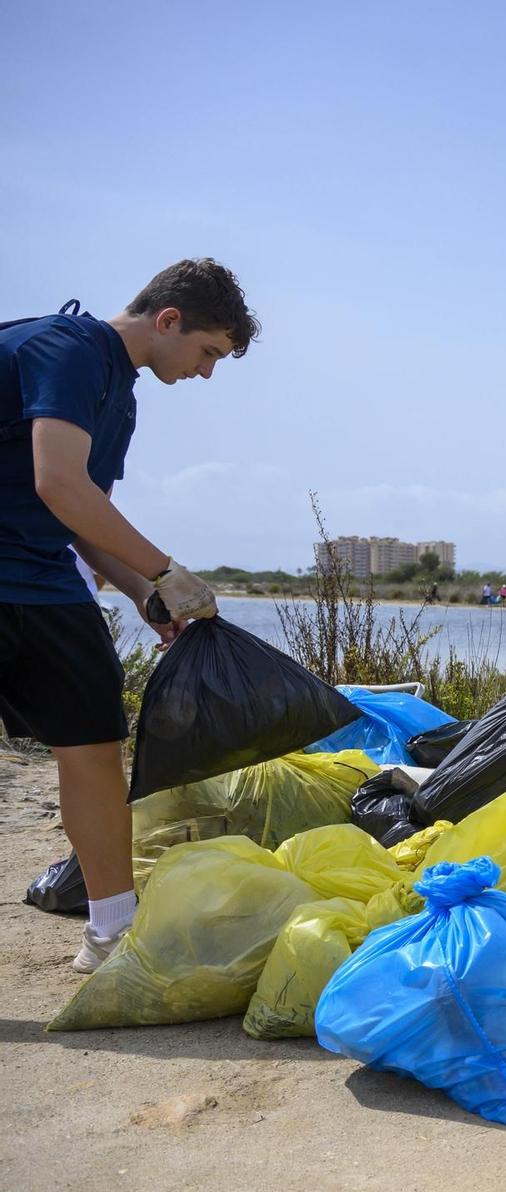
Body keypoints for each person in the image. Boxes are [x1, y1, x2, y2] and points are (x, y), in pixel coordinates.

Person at [2, 259, 256, 971]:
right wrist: (166, 569)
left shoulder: (123, 396)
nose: (207, 373)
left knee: (91, 740)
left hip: (44, 577)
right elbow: (55, 481)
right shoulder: (66, 348)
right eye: (208, 352)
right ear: (168, 319)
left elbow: (88, 518)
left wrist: (146, 595)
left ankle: (111, 933)